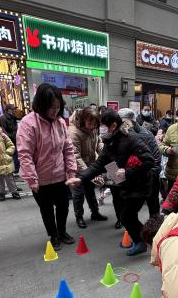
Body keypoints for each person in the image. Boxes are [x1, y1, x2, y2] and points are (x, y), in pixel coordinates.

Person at [77, 109, 155, 256]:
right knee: (125, 215)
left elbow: (150, 161)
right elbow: (98, 164)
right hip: (126, 184)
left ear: (113, 125)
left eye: (103, 126)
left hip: (140, 185)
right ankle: (142, 240)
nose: (99, 129)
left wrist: (128, 171)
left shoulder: (132, 139)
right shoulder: (110, 141)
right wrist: (81, 178)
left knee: (126, 216)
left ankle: (143, 241)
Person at [17, 83, 79, 251]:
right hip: (40, 178)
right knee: (46, 209)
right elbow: (24, 154)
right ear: (42, 105)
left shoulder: (60, 123)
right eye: (52, 107)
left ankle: (62, 231)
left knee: (63, 206)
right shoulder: (28, 123)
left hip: (59, 175)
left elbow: (68, 148)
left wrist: (71, 171)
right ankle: (53, 235)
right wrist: (32, 179)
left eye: (58, 107)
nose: (55, 111)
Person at [69, 107, 108, 228]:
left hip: (90, 165)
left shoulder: (94, 130)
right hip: (76, 169)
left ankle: (95, 213)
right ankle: (79, 217)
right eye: (90, 123)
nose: (92, 126)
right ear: (83, 120)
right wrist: (87, 173)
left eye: (95, 124)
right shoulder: (73, 132)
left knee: (90, 191)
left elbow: (99, 141)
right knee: (78, 194)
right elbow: (76, 156)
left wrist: (102, 149)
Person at [119, 108, 162, 216]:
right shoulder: (121, 134)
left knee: (153, 204)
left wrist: (151, 174)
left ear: (131, 121)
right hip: (131, 177)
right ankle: (133, 228)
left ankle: (155, 227)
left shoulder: (146, 134)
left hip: (149, 175)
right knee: (131, 208)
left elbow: (156, 156)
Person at [0, 104, 20, 175]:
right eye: (13, 109)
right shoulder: (3, 118)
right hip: (9, 140)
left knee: (16, 156)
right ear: (9, 110)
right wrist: (12, 136)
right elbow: (3, 131)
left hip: (15, 139)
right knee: (13, 156)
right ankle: (14, 173)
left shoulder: (13, 118)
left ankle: (15, 172)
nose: (15, 110)